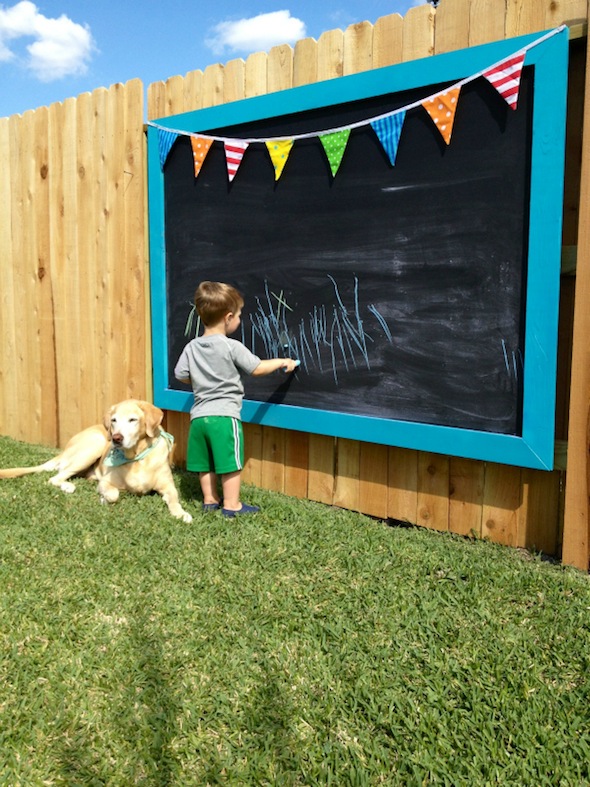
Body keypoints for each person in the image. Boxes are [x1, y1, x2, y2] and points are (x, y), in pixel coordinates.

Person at [174, 281, 298, 517]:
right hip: (224, 416)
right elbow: (256, 367)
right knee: (230, 462)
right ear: (228, 317)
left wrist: (200, 380)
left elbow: (180, 375)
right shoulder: (231, 346)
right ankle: (232, 505)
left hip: (199, 418)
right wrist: (283, 361)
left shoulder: (191, 347)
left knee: (206, 462)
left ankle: (210, 500)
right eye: (239, 315)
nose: (240, 319)